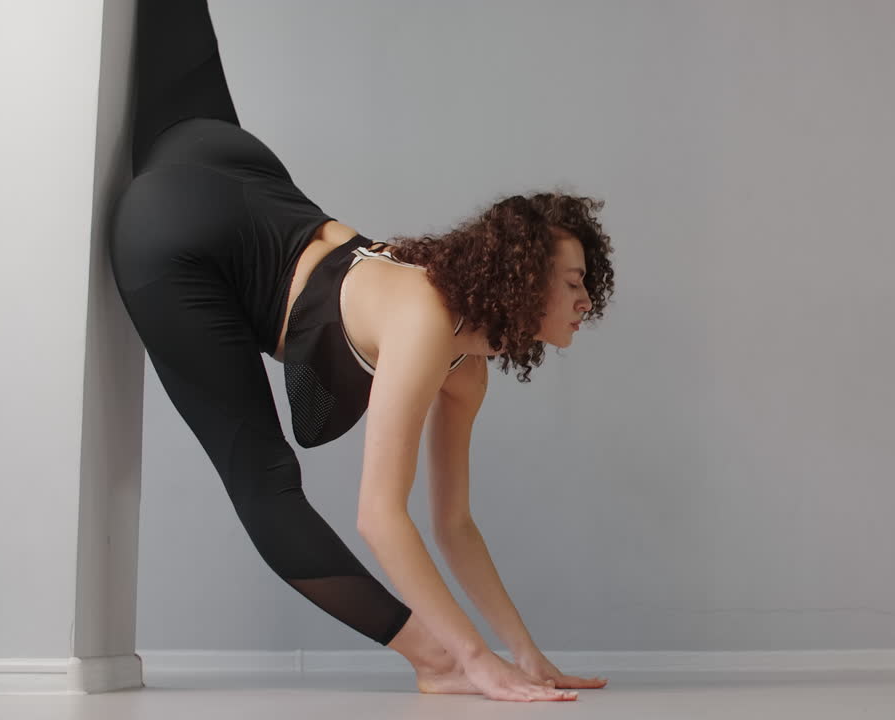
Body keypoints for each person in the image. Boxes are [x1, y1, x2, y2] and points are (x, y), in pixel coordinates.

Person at [108, 0, 614, 703]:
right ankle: (432, 659)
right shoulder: (427, 314)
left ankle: (454, 659)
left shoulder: (467, 371)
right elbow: (379, 514)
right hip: (172, 240)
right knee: (266, 485)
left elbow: (454, 524)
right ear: (521, 280)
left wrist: (524, 652)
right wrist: (470, 656)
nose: (587, 298)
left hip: (224, 155)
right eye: (573, 282)